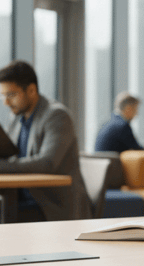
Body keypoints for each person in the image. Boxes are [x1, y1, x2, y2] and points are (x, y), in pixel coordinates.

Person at [0, 60, 91, 222]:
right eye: (3, 96)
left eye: (11, 95)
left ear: (32, 90)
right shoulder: (16, 117)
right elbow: (10, 153)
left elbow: (46, 163)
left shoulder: (57, 116)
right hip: (21, 198)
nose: (6, 102)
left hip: (50, 204)